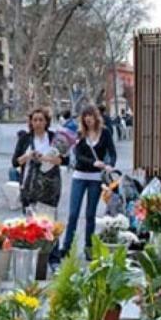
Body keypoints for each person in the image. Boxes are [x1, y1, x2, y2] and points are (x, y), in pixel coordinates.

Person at [61, 105, 116, 255]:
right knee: (73, 214)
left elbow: (112, 152)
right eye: (85, 117)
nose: (88, 119)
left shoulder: (105, 133)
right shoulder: (80, 134)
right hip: (80, 175)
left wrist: (110, 165)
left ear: (96, 117)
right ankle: (66, 247)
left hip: (96, 178)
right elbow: (78, 156)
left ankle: (89, 247)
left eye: (90, 116)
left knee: (90, 214)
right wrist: (93, 162)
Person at [12, 108, 63, 220]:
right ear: (31, 122)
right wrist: (28, 155)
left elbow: (63, 160)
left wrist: (46, 158)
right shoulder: (25, 138)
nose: (38, 123)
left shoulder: (53, 137)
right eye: (35, 120)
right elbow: (15, 162)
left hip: (50, 185)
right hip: (29, 186)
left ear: (46, 122)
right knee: (31, 223)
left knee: (48, 222)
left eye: (41, 120)